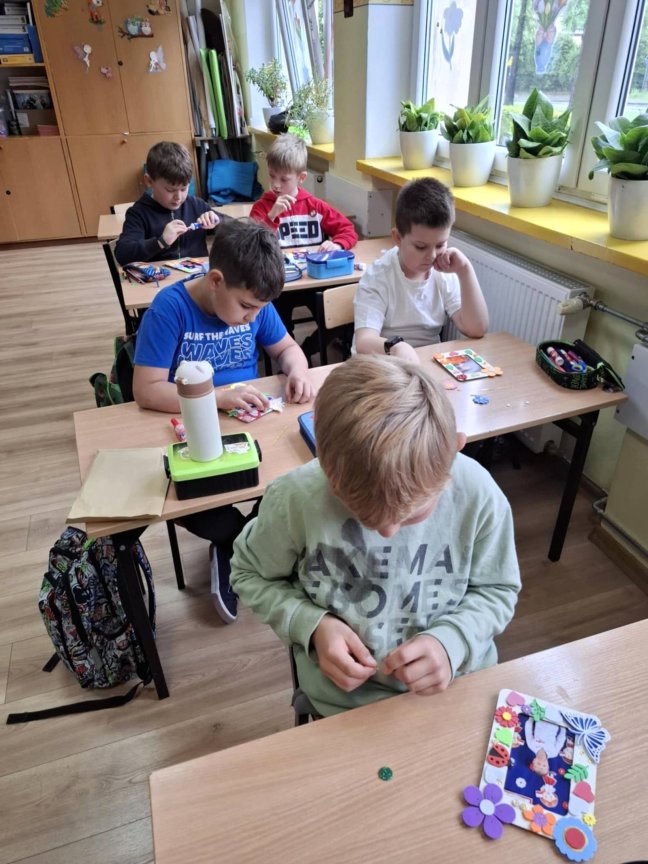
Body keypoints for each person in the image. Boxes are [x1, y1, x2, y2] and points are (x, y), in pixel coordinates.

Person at [230, 355, 520, 717]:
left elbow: (498, 589)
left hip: (458, 686)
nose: (386, 531)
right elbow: (248, 573)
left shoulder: (477, 492)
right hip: (341, 704)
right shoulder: (295, 498)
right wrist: (312, 626)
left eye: (412, 514)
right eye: (360, 513)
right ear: (324, 464)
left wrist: (454, 640)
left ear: (454, 450)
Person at [133, 218, 315, 623]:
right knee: (184, 498)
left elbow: (287, 349)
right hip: (192, 432)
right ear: (215, 280)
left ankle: (236, 547)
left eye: (259, 309)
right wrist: (215, 397)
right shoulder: (170, 308)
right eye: (246, 307)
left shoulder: (253, 301)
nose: (252, 318)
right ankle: (237, 545)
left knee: (293, 483)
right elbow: (146, 389)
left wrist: (298, 370)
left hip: (251, 430)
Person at [353, 177, 488, 364]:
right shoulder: (378, 276)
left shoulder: (443, 273)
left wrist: (465, 270)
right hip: (381, 362)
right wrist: (396, 346)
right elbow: (364, 341)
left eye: (440, 245)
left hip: (424, 362)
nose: (432, 256)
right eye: (420, 247)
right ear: (398, 238)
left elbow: (477, 329)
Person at [115, 140, 222, 266]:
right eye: (170, 190)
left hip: (198, 274)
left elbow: (235, 230)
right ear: (149, 181)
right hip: (160, 277)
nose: (178, 197)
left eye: (184, 189)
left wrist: (217, 221)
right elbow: (123, 254)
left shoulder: (197, 206)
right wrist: (160, 242)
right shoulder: (138, 213)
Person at [250, 133, 358, 251]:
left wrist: (337, 245)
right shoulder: (261, 208)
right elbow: (251, 246)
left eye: (284, 179)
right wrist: (271, 217)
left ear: (301, 178)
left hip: (311, 263)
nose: (276, 184)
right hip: (277, 263)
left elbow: (348, 230)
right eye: (272, 176)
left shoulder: (316, 207)